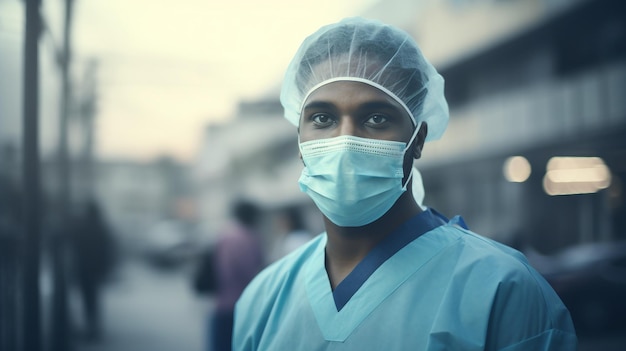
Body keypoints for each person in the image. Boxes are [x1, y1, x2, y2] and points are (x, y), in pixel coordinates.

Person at [233, 17, 577, 350]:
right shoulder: (264, 299)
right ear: (299, 139)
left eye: (376, 118)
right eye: (322, 118)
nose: (345, 142)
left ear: (417, 140)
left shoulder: (505, 292)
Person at [212, 199, 265, 351]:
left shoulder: (225, 234)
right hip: (243, 306)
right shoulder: (249, 238)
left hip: (223, 304)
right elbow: (251, 272)